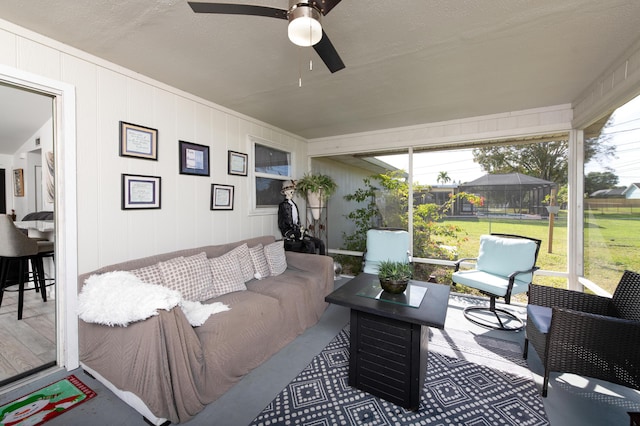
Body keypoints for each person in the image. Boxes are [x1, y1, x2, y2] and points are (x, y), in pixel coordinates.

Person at [277, 180, 326, 255]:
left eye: (292, 190)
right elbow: (282, 224)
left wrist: (302, 230)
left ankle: (322, 262)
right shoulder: (283, 205)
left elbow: (297, 221)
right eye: (289, 190)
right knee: (310, 245)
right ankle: (310, 265)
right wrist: (289, 233)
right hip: (292, 236)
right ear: (285, 192)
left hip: (299, 233)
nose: (292, 192)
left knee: (320, 243)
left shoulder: (294, 205)